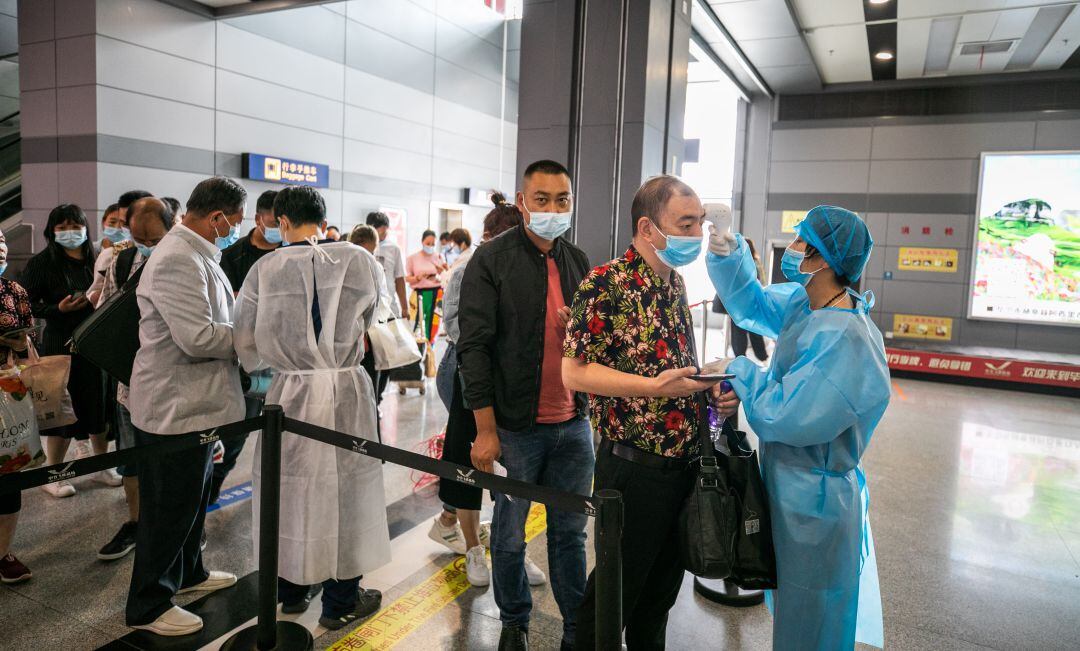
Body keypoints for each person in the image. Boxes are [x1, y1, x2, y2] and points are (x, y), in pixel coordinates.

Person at [563, 175, 739, 649]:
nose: (697, 233)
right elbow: (574, 373)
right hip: (633, 469)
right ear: (647, 227)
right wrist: (652, 388)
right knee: (611, 599)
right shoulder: (606, 283)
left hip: (682, 467)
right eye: (685, 223)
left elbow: (672, 365)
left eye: (700, 222)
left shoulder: (674, 283)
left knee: (658, 601)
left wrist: (708, 388)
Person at [706, 204, 889, 650]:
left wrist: (739, 371)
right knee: (795, 613)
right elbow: (752, 303)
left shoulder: (844, 337)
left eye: (801, 241)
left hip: (816, 503)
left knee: (814, 620)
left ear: (822, 259)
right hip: (791, 489)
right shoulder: (807, 304)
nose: (792, 249)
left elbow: (785, 416)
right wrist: (728, 247)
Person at [235, 186, 388, 630]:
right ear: (323, 219)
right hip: (347, 389)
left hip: (291, 393)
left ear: (281, 221)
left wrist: (279, 364)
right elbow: (372, 319)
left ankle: (292, 590)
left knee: (289, 486)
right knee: (348, 486)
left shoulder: (266, 268)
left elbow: (245, 339)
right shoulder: (358, 260)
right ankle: (340, 599)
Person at [458, 160, 592, 651]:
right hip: (515, 429)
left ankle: (576, 629)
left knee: (570, 537)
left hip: (574, 426)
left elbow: (593, 342)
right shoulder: (492, 260)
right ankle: (514, 620)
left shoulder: (578, 261)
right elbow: (474, 348)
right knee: (511, 535)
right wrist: (485, 429)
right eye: (542, 199)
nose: (553, 209)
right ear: (522, 202)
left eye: (562, 200)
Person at [125, 177, 246, 637]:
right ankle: (149, 603)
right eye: (232, 222)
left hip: (198, 405)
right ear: (216, 217)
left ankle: (189, 572)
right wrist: (252, 338)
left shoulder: (198, 253)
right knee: (169, 507)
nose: (233, 229)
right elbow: (197, 338)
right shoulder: (177, 258)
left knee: (194, 500)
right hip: (174, 407)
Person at [430, 196, 521, 587]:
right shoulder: (468, 269)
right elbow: (460, 332)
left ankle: (503, 549)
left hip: (505, 375)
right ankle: (472, 547)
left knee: (507, 462)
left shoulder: (521, 264)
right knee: (469, 456)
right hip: (467, 369)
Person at [95, 197, 173, 562]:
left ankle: (178, 528)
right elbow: (106, 313)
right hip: (129, 379)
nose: (145, 243)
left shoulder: (182, 259)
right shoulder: (122, 259)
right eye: (137, 235)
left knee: (172, 460)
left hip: (174, 383)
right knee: (130, 456)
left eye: (152, 237)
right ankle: (136, 523)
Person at [21, 204, 114, 497]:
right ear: (52, 231)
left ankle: (103, 465)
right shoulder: (42, 263)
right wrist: (55, 308)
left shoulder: (99, 259)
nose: (69, 232)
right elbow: (26, 303)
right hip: (59, 342)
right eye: (62, 227)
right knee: (61, 407)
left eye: (75, 226)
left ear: (86, 229)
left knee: (98, 405)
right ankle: (54, 473)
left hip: (94, 342)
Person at [212, 189, 281, 505]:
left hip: (286, 358)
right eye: (274, 220)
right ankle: (212, 486)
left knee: (285, 432)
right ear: (259, 218)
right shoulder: (235, 255)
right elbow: (222, 306)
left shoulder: (291, 252)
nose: (279, 226)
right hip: (246, 360)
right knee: (236, 432)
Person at [0, 227, 35, 584]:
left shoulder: (15, 291)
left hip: (9, 390)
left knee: (9, 474)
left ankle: (2, 551)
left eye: (1, 243)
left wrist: (21, 341)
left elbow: (28, 344)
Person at [348, 224, 393, 427]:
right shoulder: (372, 265)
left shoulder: (337, 263)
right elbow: (381, 305)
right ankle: (372, 450)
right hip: (366, 339)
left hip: (339, 342)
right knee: (369, 396)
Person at [728, 236, 769, 362]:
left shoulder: (741, 262)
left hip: (739, 303)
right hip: (754, 302)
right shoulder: (757, 262)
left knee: (738, 332)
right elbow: (762, 282)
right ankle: (762, 357)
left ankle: (740, 358)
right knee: (755, 331)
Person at [406, 230, 447, 342]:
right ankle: (413, 348)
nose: (430, 246)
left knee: (433, 324)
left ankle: (430, 349)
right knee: (415, 322)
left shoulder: (439, 256)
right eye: (428, 243)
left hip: (437, 292)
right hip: (419, 293)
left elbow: (444, 275)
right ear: (422, 241)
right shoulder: (412, 258)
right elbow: (406, 278)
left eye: (433, 244)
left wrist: (440, 272)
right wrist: (417, 278)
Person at [366, 212, 409, 319]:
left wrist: (405, 308)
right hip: (367, 310)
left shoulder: (393, 248)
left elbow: (400, 279)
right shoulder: (361, 247)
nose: (383, 234)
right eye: (380, 232)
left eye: (385, 231)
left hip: (390, 309)